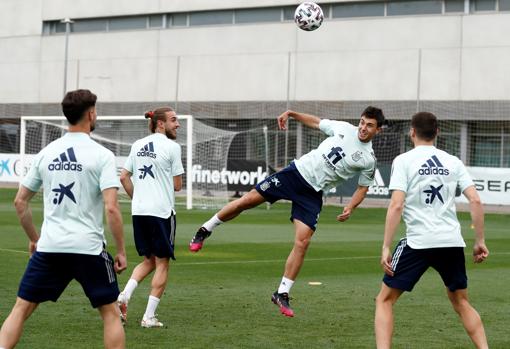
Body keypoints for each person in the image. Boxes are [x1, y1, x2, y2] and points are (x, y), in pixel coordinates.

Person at [189, 106, 386, 317]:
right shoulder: (344, 128)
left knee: (303, 241)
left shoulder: (368, 159)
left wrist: (351, 206)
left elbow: (363, 187)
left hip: (313, 194)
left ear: (378, 130)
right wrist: (292, 114)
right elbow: (316, 122)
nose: (363, 128)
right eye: (363, 122)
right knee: (246, 201)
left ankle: (282, 292)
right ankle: (205, 229)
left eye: (370, 125)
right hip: (295, 174)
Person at [0, 89, 127, 349]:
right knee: (110, 313)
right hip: (88, 249)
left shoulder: (47, 152)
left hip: (50, 247)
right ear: (91, 114)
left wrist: (35, 239)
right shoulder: (102, 155)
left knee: (21, 307)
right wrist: (122, 250)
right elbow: (112, 208)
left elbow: (20, 201)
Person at [374, 112, 489, 349]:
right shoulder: (453, 161)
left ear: (412, 133)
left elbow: (396, 204)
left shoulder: (404, 161)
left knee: (384, 300)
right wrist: (479, 240)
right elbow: (475, 201)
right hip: (451, 242)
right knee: (461, 302)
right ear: (437, 133)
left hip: (418, 243)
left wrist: (386, 246)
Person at [117, 107, 183, 328]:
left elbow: (124, 176)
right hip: (161, 212)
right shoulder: (173, 147)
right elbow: (177, 185)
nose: (178, 124)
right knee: (162, 263)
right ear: (160, 124)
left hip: (139, 212)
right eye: (174, 120)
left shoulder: (137, 145)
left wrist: (138, 197)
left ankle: (124, 296)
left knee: (149, 261)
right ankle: (148, 317)